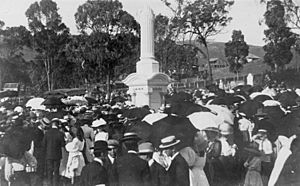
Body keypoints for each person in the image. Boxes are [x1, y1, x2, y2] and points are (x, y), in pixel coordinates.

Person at [43, 118, 65, 186]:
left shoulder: (47, 133)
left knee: (49, 170)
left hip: (49, 154)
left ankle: (49, 183)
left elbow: (43, 144)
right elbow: (63, 144)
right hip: (57, 154)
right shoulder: (60, 133)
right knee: (56, 170)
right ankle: (56, 183)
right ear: (57, 125)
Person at [32, 117, 50, 186]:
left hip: (41, 153)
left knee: (41, 170)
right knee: (39, 170)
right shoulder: (37, 132)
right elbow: (37, 143)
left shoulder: (41, 131)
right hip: (39, 153)